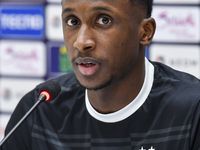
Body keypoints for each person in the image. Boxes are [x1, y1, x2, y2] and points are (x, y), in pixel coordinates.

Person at [2, 0, 200, 149]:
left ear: (145, 32)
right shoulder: (39, 109)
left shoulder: (192, 109)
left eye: (103, 20)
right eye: (72, 21)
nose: (81, 42)